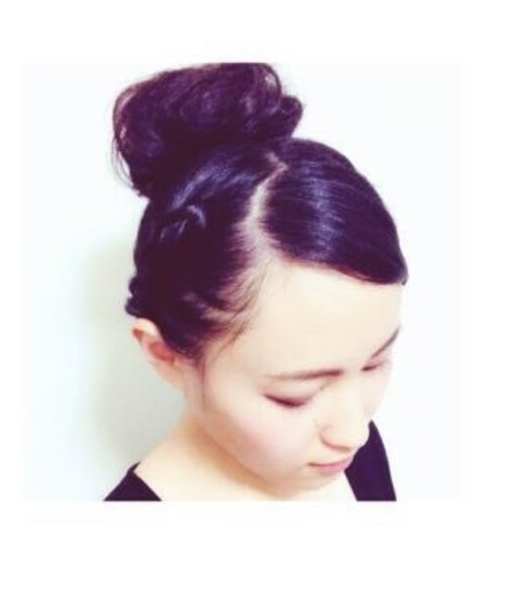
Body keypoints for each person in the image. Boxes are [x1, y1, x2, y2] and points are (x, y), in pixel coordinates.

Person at [104, 63, 409, 501]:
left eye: (374, 365)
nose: (355, 432)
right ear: (166, 355)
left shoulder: (357, 456)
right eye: (296, 396)